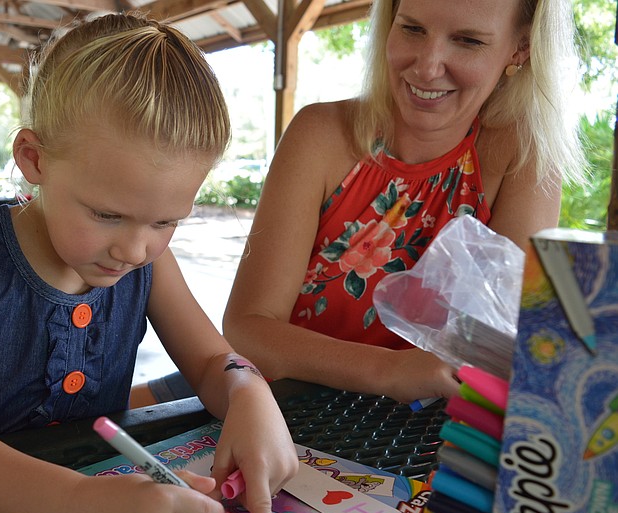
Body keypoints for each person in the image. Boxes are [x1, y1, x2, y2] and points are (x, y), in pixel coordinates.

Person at [0, 12, 298, 513]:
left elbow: (210, 362)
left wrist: (249, 392)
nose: (135, 250)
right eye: (108, 214)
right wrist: (73, 506)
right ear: (34, 159)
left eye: (165, 222)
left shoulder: (149, 265)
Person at [216, 0, 585, 405]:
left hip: (428, 439)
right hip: (280, 416)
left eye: (467, 40)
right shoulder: (320, 135)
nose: (427, 67)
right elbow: (248, 327)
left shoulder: (526, 157)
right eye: (411, 29)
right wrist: (389, 370)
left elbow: (502, 352)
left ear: (521, 47)